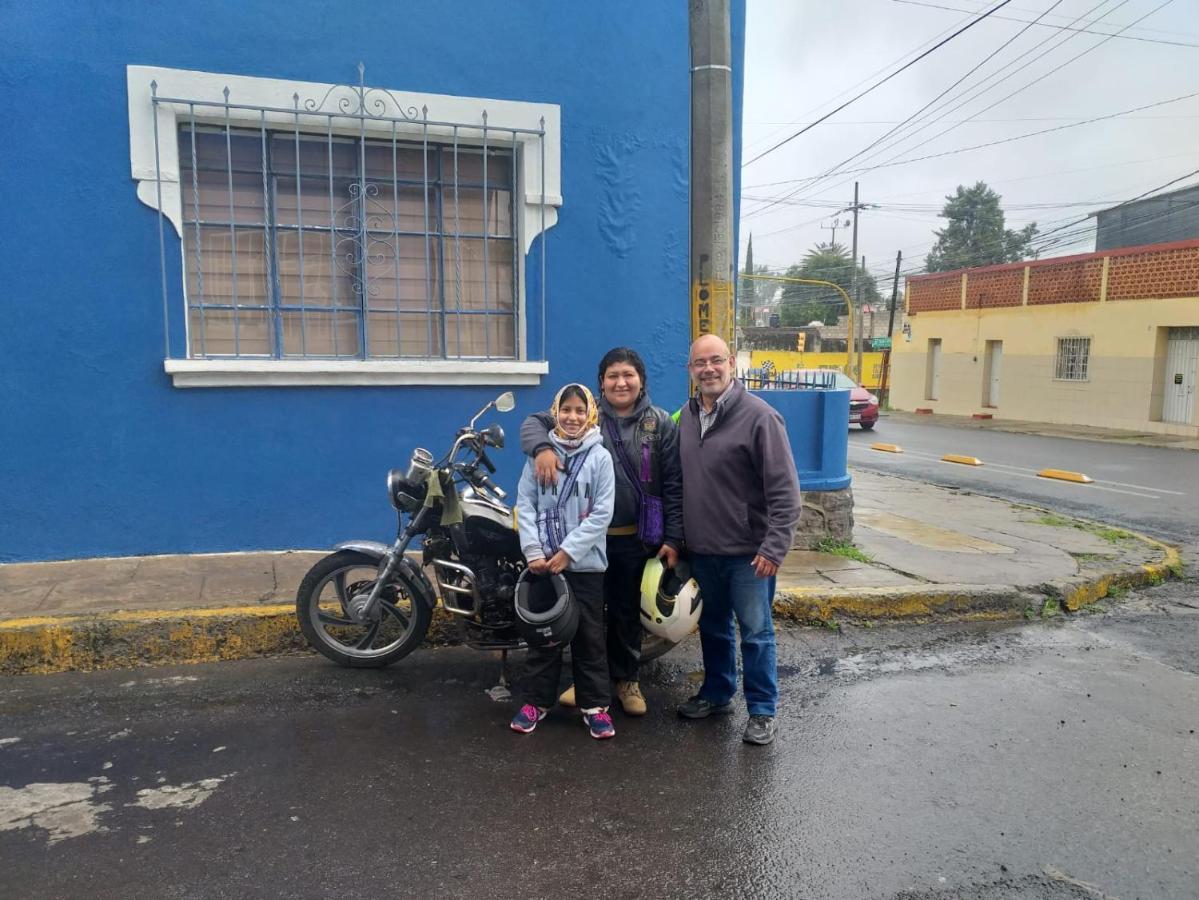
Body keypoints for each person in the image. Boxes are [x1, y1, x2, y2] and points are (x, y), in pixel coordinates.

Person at [520, 348, 684, 716]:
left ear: (641, 380)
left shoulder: (659, 423)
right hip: (581, 542)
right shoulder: (582, 414)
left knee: (624, 612)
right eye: (612, 376)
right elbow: (532, 422)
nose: (620, 382)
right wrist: (543, 447)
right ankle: (589, 682)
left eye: (628, 374)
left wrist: (673, 538)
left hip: (632, 537)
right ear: (601, 383)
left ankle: (627, 680)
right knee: (585, 615)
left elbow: (673, 483)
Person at [675, 334, 801, 746]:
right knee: (713, 629)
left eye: (715, 361)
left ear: (731, 362)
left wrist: (774, 547)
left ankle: (763, 710)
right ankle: (717, 694)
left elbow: (786, 493)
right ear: (690, 370)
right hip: (703, 551)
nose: (708, 369)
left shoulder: (760, 418)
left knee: (756, 632)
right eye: (699, 363)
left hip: (750, 556)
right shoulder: (687, 417)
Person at [510, 383, 617, 740]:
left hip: (585, 565)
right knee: (544, 639)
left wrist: (568, 552)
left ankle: (595, 707)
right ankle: (535, 703)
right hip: (543, 565)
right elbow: (525, 504)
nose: (572, 417)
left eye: (580, 410)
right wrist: (534, 553)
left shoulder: (600, 458)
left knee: (589, 638)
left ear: (591, 415)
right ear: (555, 412)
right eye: (566, 410)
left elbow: (602, 513)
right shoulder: (539, 457)